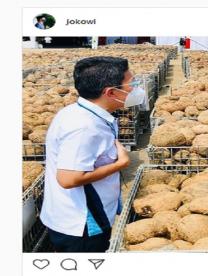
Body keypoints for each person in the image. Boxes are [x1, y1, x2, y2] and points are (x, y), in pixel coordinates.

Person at [40, 56, 146, 252]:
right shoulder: (85, 127)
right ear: (111, 92)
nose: (137, 88)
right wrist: (120, 164)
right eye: (132, 83)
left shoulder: (78, 111)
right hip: (82, 226)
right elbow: (68, 178)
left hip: (76, 216)